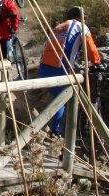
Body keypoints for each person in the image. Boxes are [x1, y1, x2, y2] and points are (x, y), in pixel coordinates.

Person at [39, 7, 101, 137]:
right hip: (61, 69)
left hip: (44, 69)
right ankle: (62, 135)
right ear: (82, 18)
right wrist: (97, 62)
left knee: (59, 99)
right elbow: (91, 49)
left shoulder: (58, 27)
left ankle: (54, 132)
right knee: (69, 100)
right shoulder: (80, 26)